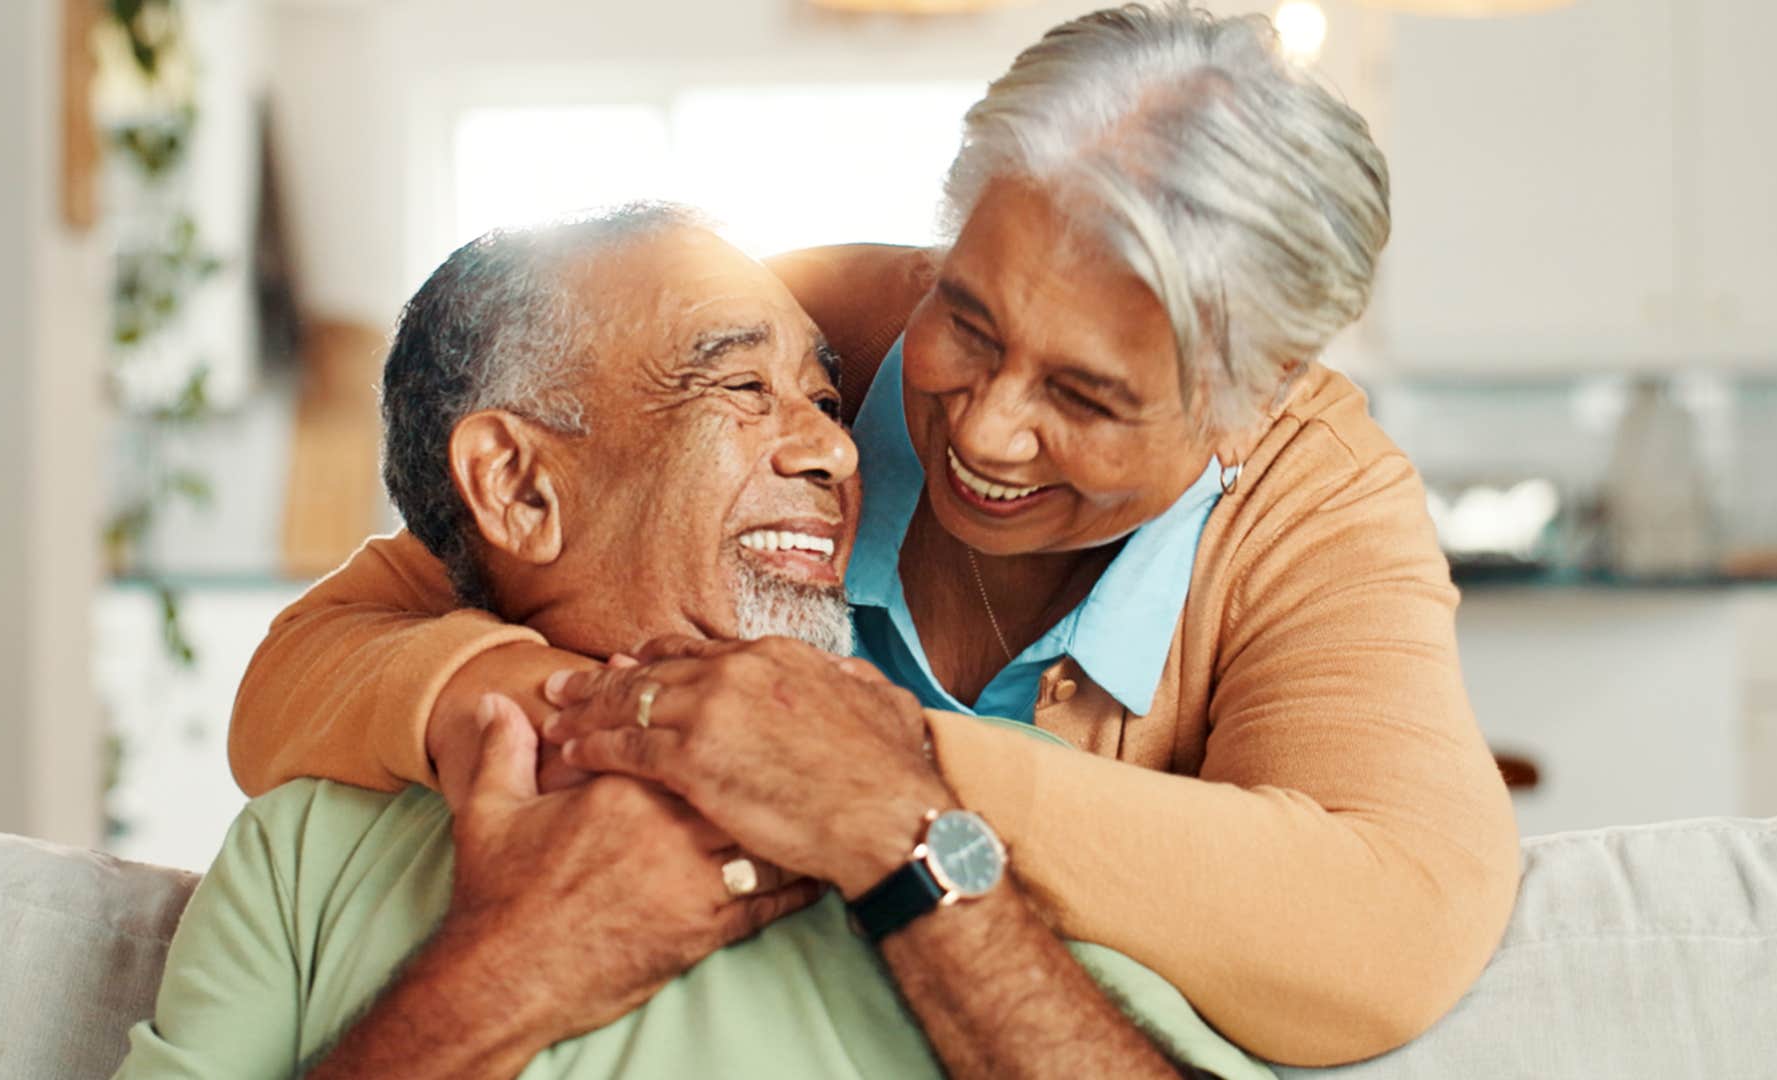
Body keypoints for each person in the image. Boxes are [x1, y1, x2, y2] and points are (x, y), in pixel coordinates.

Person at [228, 3, 1519, 1066]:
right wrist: (623, 714)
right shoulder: (810, 336)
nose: (988, 431)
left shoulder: (1316, 495)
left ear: (1255, 400)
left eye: (1087, 396)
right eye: (969, 318)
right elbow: (348, 632)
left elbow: (1385, 931)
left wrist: (871, 779)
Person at [118, 208, 1270, 1080]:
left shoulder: (980, 811)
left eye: (822, 397)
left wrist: (904, 841)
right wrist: (516, 964)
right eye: (739, 387)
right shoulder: (303, 854)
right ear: (519, 486)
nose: (836, 453)